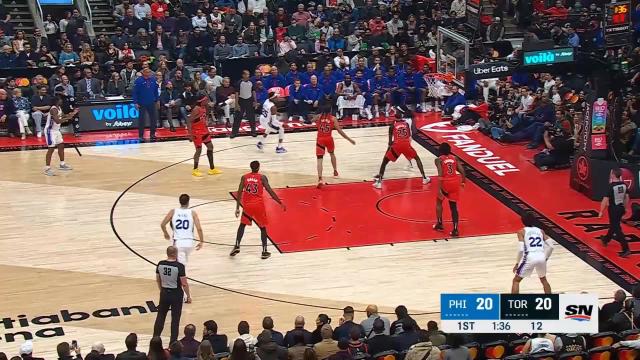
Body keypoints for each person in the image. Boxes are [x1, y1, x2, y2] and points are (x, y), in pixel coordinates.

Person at [231, 160, 286, 259]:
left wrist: (237, 208)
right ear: (258, 168)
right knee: (263, 227)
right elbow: (270, 191)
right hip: (259, 206)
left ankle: (237, 245)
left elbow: (239, 192)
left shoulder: (244, 177)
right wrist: (280, 202)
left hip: (247, 206)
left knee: (242, 225)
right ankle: (264, 251)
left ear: (251, 167)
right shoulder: (262, 177)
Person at [373, 106, 430, 189]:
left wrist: (390, 148)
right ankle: (424, 178)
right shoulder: (406, 123)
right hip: (406, 144)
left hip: (397, 145)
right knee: (417, 158)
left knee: (385, 162)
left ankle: (379, 182)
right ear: (401, 117)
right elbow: (409, 134)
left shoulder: (392, 125)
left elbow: (390, 142)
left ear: (395, 118)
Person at [153, 246, 191, 344]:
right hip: (176, 294)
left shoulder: (160, 264)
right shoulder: (179, 266)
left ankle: (155, 339)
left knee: (160, 316)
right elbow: (184, 283)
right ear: (174, 254)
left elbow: (158, 279)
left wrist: (162, 290)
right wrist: (188, 296)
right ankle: (173, 343)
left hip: (164, 293)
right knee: (175, 319)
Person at [511, 212, 554, 294]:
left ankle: (513, 303)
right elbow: (551, 246)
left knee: (516, 281)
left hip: (530, 257)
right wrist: (546, 257)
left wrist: (517, 263)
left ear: (523, 221)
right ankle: (550, 301)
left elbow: (521, 249)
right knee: (543, 279)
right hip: (541, 256)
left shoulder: (521, 232)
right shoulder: (541, 231)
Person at [315, 105, 356, 188]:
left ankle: (320, 178)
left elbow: (310, 120)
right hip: (329, 139)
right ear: (330, 110)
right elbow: (339, 131)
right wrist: (349, 139)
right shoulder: (333, 118)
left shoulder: (318, 117)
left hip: (320, 139)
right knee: (332, 154)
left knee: (319, 159)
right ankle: (335, 171)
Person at [161, 194, 204, 269]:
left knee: (179, 267)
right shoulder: (192, 213)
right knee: (183, 263)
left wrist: (166, 233)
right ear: (188, 202)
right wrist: (201, 241)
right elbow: (199, 229)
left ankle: (182, 279)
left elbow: (163, 224)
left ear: (179, 202)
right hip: (190, 243)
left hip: (179, 243)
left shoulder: (173, 211)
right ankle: (182, 278)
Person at [433, 142, 466, 236]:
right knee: (453, 207)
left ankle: (439, 224)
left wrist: (439, 188)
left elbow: (440, 174)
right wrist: (463, 181)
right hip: (455, 182)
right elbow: (462, 171)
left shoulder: (438, 160)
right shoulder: (454, 158)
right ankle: (455, 229)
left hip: (445, 183)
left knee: (439, 201)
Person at [186, 94, 223, 177]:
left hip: (204, 131)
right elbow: (189, 121)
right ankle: (195, 169)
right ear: (201, 101)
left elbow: (203, 117)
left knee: (210, 147)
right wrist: (190, 134)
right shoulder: (196, 109)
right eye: (205, 100)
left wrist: (205, 122)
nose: (207, 101)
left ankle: (212, 169)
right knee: (198, 151)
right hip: (196, 132)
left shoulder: (204, 108)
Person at [600, 168, 631, 257]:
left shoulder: (611, 186)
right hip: (621, 208)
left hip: (613, 209)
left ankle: (626, 249)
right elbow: (627, 197)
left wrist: (601, 211)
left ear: (613, 175)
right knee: (614, 225)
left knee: (616, 228)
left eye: (611, 173)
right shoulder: (624, 185)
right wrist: (625, 208)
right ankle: (606, 239)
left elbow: (605, 199)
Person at [44, 95, 76, 176]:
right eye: (60, 99)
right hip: (50, 131)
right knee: (51, 149)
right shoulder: (53, 109)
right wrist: (67, 118)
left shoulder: (59, 108)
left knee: (61, 145)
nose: (61, 100)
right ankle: (47, 168)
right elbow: (58, 121)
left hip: (56, 130)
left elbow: (63, 116)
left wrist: (72, 114)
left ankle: (62, 164)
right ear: (56, 101)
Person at [132, 68, 160, 142]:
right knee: (142, 120)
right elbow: (135, 92)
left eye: (150, 72)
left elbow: (155, 91)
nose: (149, 73)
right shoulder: (138, 81)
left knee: (153, 119)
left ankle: (152, 134)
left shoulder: (153, 80)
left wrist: (157, 100)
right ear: (143, 73)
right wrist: (135, 102)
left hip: (151, 102)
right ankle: (141, 135)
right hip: (142, 103)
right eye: (147, 72)